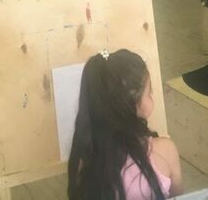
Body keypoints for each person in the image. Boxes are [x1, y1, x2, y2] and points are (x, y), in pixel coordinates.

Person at [68, 49, 183, 199]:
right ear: (132, 102)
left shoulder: (84, 158)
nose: (152, 96)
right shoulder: (165, 150)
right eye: (149, 92)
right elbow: (179, 196)